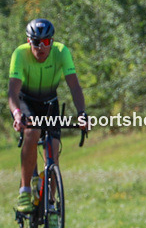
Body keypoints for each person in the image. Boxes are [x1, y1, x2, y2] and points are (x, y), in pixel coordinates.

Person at [8, 19, 87, 216]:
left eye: (46, 42)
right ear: (29, 42)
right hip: (26, 101)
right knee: (32, 131)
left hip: (49, 103)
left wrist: (82, 114)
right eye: (36, 42)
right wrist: (17, 115)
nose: (41, 47)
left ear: (52, 41)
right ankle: (25, 191)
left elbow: (74, 86)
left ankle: (50, 203)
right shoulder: (20, 54)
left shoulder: (62, 52)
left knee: (52, 148)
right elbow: (12, 91)